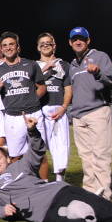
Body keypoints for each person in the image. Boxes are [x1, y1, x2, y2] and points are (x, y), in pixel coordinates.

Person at [68, 27, 112, 199]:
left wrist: (97, 73)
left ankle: (104, 194)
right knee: (86, 157)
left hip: (97, 111)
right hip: (78, 115)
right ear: (70, 42)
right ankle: (90, 191)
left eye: (81, 38)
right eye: (75, 39)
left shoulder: (100, 56)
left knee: (101, 154)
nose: (78, 41)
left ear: (88, 41)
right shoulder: (73, 65)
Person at [0, 31, 47, 177]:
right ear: (1, 50)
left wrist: (33, 100)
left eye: (11, 44)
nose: (8, 48)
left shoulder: (31, 64)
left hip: (33, 113)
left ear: (18, 47)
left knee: (39, 152)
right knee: (15, 155)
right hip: (12, 116)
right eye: (5, 45)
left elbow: (42, 87)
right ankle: (20, 186)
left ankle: (43, 186)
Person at [36, 33, 72, 182]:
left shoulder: (64, 65)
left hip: (58, 109)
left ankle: (60, 181)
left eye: (48, 43)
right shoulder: (33, 66)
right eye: (42, 44)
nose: (45, 46)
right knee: (38, 148)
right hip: (40, 111)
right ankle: (41, 181)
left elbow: (68, 89)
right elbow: (31, 88)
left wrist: (64, 107)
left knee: (61, 148)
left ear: (54, 46)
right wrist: (45, 68)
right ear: (38, 47)